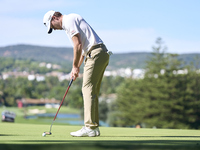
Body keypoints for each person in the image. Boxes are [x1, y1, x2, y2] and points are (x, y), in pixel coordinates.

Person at [43, 10, 111, 137]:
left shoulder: (68, 21)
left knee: (87, 89)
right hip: (100, 53)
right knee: (92, 91)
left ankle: (90, 127)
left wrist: (74, 66)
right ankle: (94, 128)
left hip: (95, 53)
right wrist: (76, 68)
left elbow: (78, 45)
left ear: (54, 18)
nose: (55, 29)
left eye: (52, 26)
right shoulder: (71, 19)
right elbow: (83, 49)